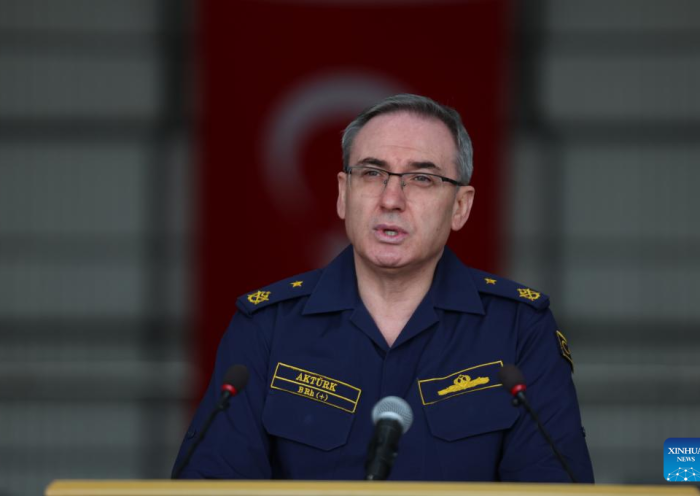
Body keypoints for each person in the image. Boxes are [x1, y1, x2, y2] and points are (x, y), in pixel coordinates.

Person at [172, 94, 594, 482]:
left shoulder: (519, 329)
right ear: (343, 194)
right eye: (372, 173)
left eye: (422, 179)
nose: (391, 199)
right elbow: (210, 485)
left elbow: (554, 489)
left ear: (460, 207)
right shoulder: (267, 327)